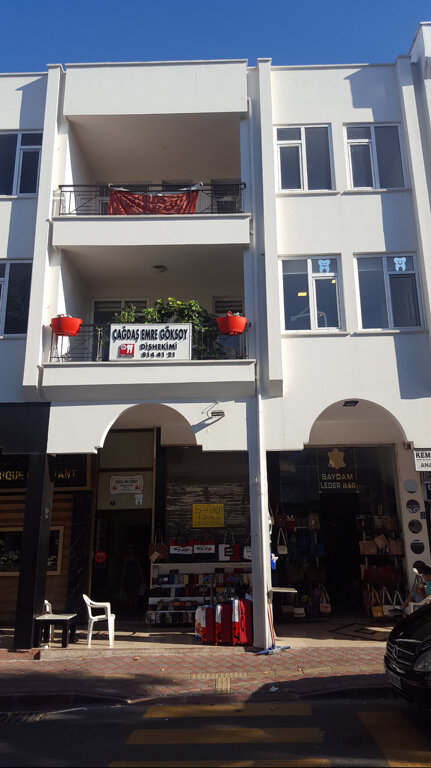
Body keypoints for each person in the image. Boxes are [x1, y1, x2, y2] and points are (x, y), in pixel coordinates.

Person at [122, 544, 144, 615]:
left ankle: (135, 610)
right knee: (130, 595)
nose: (131, 550)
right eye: (129, 549)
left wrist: (141, 577)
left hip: (135, 578)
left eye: (132, 549)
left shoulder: (136, 558)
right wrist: (123, 578)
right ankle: (130, 610)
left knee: (135, 595)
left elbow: (139, 568)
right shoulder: (126, 559)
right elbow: (124, 569)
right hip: (128, 578)